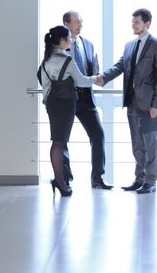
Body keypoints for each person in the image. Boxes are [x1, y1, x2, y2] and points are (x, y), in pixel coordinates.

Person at [97, 8, 157, 194]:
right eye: (133, 22)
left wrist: (156, 104)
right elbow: (120, 66)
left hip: (149, 104)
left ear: (147, 23)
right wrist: (103, 78)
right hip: (132, 102)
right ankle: (139, 178)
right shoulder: (130, 45)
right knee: (137, 143)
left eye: (136, 22)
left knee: (150, 144)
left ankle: (151, 181)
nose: (133, 25)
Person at [41, 25, 98, 196]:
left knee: (57, 141)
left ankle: (59, 180)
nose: (70, 41)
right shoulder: (68, 60)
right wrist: (97, 78)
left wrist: (47, 103)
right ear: (62, 41)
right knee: (60, 142)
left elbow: (45, 86)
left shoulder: (46, 60)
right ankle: (59, 182)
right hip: (66, 104)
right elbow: (82, 82)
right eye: (68, 39)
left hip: (52, 103)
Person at [62, 11, 113, 190]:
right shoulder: (59, 44)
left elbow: (94, 68)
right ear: (66, 23)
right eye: (77, 22)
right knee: (62, 140)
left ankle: (97, 179)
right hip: (66, 98)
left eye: (81, 22)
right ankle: (64, 179)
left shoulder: (88, 44)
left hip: (86, 99)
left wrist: (98, 77)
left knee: (98, 135)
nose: (80, 25)